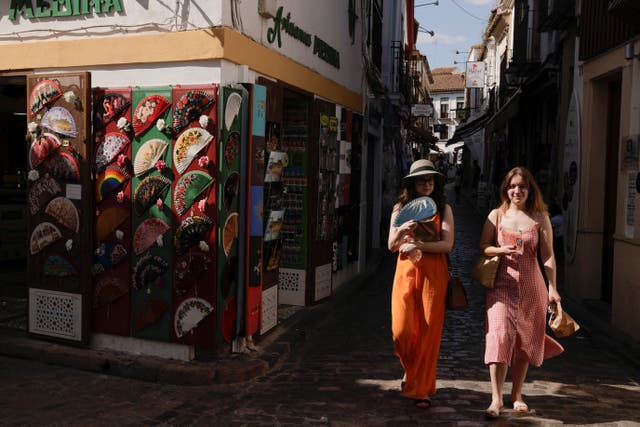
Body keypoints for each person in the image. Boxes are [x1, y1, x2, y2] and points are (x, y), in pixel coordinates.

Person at [478, 166, 564, 418]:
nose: (517, 190)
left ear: (530, 190)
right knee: (499, 335)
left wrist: (553, 288)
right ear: (506, 189)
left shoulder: (540, 217)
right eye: (512, 186)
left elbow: (547, 256)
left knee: (524, 340)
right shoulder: (497, 215)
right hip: (501, 284)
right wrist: (500, 250)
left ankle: (516, 394)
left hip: (531, 285)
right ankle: (496, 399)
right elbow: (483, 246)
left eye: (522, 186)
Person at [387, 159, 455, 409]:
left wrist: (419, 245)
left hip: (434, 274)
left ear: (435, 183)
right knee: (401, 332)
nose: (426, 184)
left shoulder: (443, 208)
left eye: (430, 180)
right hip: (406, 272)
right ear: (412, 184)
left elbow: (447, 245)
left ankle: (422, 389)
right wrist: (401, 229)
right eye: (421, 180)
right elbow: (391, 245)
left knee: (428, 332)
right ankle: (412, 371)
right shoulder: (400, 207)